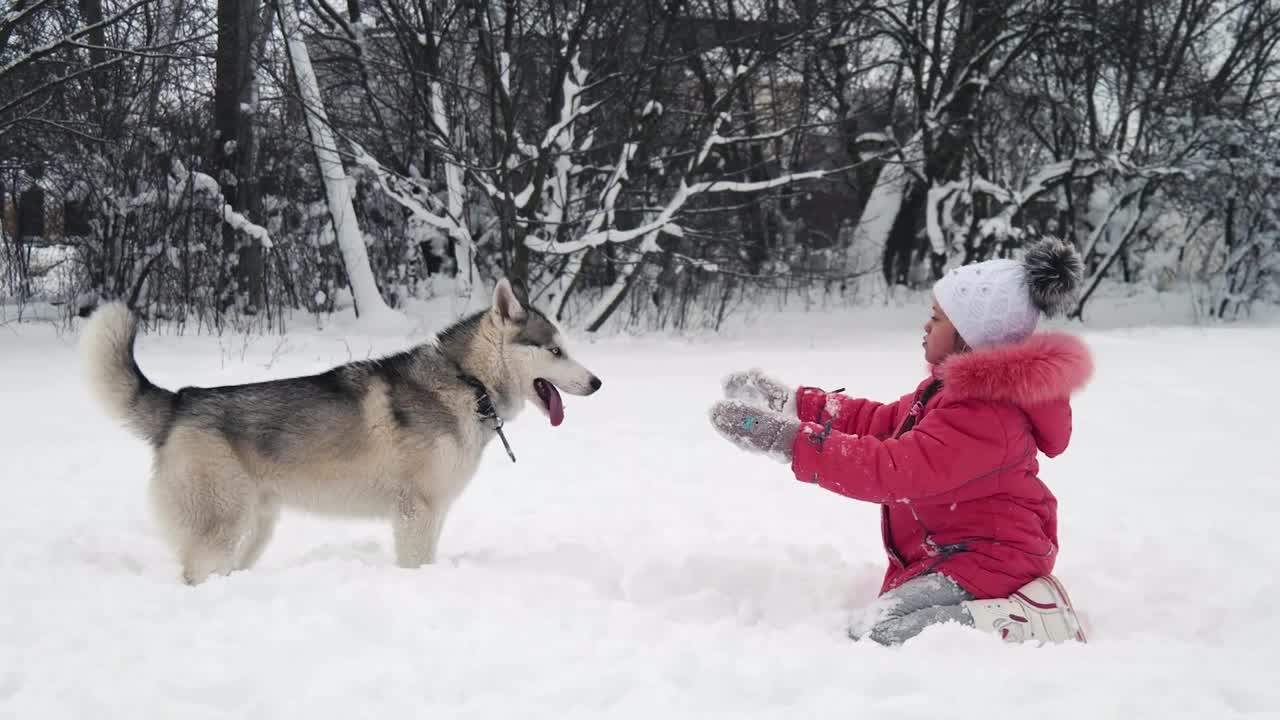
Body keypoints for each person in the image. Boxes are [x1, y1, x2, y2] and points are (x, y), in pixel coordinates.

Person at [709, 239, 1093, 645]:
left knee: (880, 634)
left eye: (938, 318)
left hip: (989, 561)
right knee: (876, 628)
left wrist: (790, 442)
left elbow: (893, 469)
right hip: (956, 556)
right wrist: (795, 405)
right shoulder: (950, 394)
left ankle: (1027, 620)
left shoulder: (986, 415)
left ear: (971, 337)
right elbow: (882, 422)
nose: (927, 326)